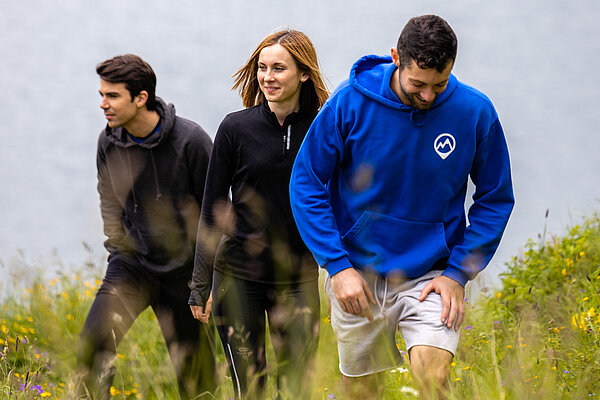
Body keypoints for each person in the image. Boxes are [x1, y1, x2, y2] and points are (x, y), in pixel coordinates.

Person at [289, 15, 514, 400]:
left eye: (439, 84)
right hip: (357, 273)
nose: (428, 96)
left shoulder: (474, 112)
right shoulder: (350, 102)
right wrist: (337, 266)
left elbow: (495, 197)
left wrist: (458, 274)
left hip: (431, 274)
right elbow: (306, 181)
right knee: (363, 393)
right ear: (396, 58)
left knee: (432, 375)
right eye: (417, 84)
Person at [188, 29, 329, 399]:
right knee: (249, 389)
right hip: (237, 277)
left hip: (297, 278)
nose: (267, 77)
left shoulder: (323, 128)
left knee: (295, 390)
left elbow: (339, 202)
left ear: (304, 73)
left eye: (278, 68)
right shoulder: (235, 128)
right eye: (262, 68)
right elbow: (212, 209)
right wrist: (200, 284)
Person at [77, 54, 216, 400]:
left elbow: (214, 214)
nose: (103, 104)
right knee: (92, 350)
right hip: (132, 265)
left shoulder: (191, 141)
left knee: (198, 381)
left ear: (141, 98)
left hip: (185, 273)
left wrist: (206, 280)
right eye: (101, 94)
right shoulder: (108, 141)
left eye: (112, 96)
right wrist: (120, 247)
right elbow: (109, 201)